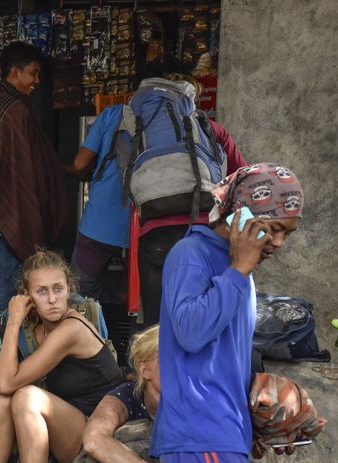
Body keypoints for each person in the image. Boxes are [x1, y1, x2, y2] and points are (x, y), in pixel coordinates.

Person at [151, 163, 305, 462]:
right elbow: (191, 333)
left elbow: (223, 358)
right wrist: (238, 270)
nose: (279, 242)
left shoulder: (240, 270)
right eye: (274, 229)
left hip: (227, 434)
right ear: (241, 213)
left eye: (287, 233)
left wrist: (262, 411)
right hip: (199, 436)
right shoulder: (192, 254)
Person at [0, 250, 124, 463]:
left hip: (101, 433)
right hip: (70, 427)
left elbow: (6, 382)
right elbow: (4, 388)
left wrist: (14, 320)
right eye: (42, 291)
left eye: (58, 289)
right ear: (28, 297)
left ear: (69, 290)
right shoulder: (37, 331)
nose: (52, 299)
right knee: (1, 401)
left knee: (26, 397)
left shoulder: (72, 328)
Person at [0, 41, 67, 327]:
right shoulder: (13, 109)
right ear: (14, 72)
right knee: (8, 286)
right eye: (33, 73)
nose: (37, 81)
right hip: (3, 215)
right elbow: (20, 175)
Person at [136, 72, 248, 328]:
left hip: (154, 237)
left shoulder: (142, 131)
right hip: (204, 234)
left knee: (156, 328)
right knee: (207, 323)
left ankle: (157, 368)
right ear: (191, 97)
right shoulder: (212, 129)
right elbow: (244, 180)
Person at [66, 104, 131, 299]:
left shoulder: (113, 113)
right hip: (138, 229)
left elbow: (79, 164)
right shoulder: (173, 118)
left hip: (97, 227)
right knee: (138, 304)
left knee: (80, 298)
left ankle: (83, 329)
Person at [79, 325, 161, 463]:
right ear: (145, 370)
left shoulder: (197, 398)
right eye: (167, 360)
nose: (178, 368)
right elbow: (94, 438)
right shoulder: (126, 395)